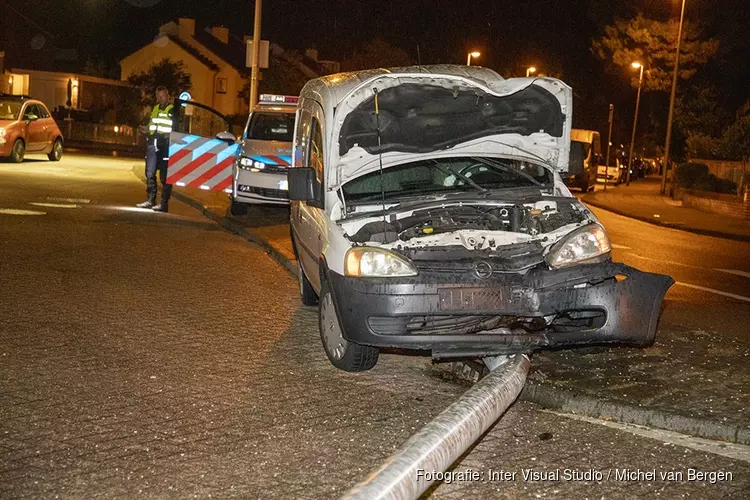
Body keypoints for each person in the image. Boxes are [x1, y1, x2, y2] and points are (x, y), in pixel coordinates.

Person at [136, 86, 174, 212]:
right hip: (153, 144)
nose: (160, 98)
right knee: (150, 172)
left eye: (163, 96)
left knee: (165, 175)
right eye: (158, 96)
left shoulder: (172, 109)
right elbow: (154, 124)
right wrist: (146, 130)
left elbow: (176, 127)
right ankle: (151, 200)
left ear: (167, 96)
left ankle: (164, 204)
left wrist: (169, 136)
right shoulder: (155, 108)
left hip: (165, 146)